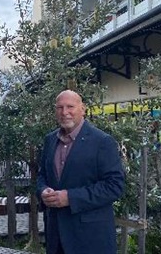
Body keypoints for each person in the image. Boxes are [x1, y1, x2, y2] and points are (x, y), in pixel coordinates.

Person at [37, 90, 125, 254]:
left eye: (70, 106)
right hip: (55, 236)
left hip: (90, 239)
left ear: (82, 109)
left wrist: (70, 198)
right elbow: (42, 176)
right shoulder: (50, 140)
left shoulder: (102, 141)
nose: (65, 112)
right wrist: (43, 191)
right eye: (60, 107)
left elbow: (115, 186)